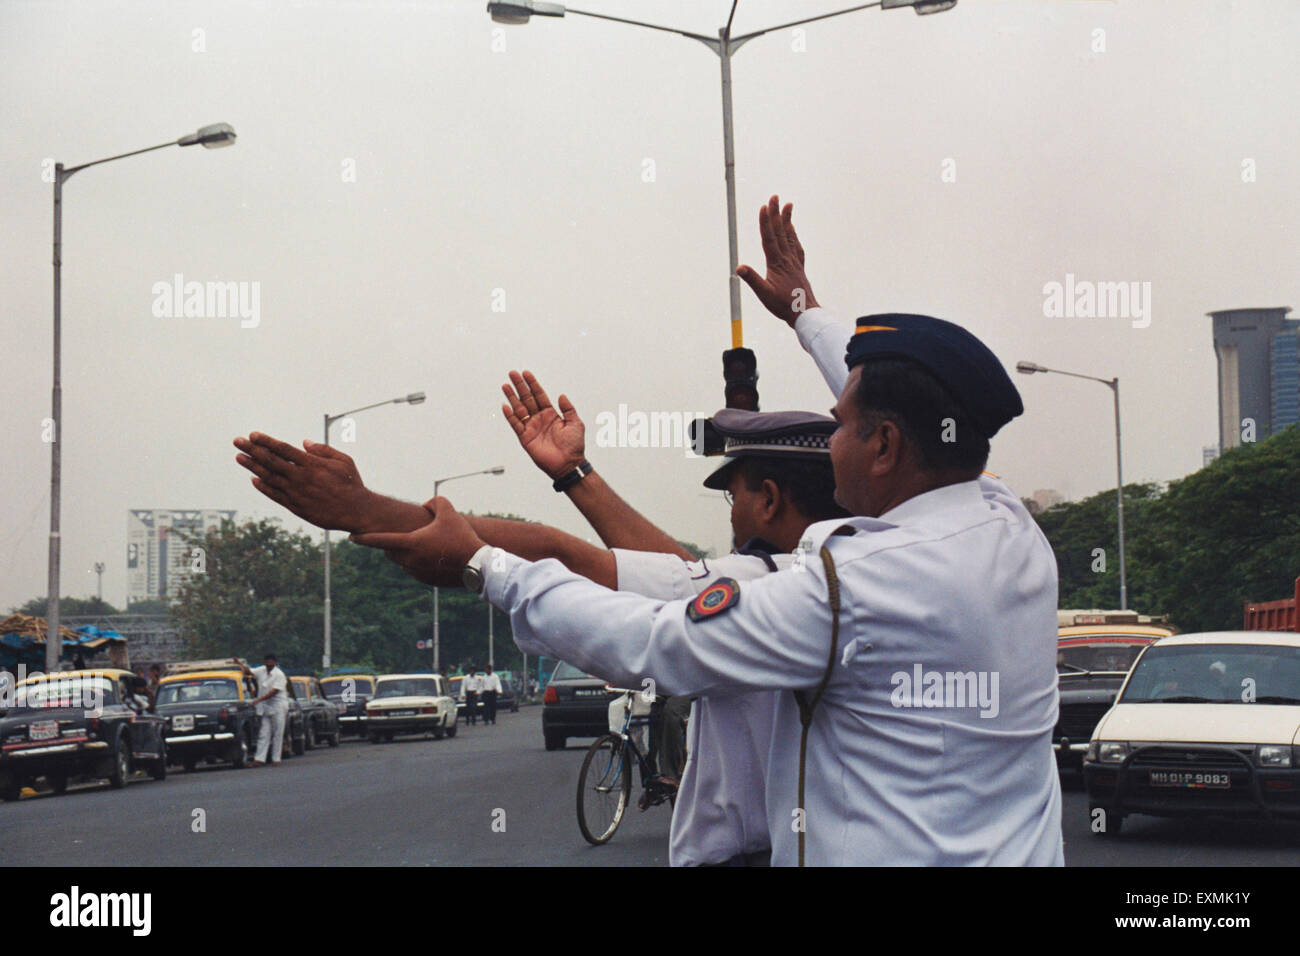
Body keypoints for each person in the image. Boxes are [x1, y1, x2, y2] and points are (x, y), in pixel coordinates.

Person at [353, 303, 1064, 866]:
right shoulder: (1010, 527)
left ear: (883, 447)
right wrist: (805, 314)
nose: (833, 438)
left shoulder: (852, 587)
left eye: (842, 426)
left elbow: (655, 643)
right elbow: (919, 415)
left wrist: (484, 565)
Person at [243, 653, 289, 767]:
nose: (268, 664)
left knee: (277, 732)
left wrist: (258, 700)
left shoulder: (279, 675)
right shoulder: (261, 670)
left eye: (270, 662)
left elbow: (273, 692)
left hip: (278, 705)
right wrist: (239, 664)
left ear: (275, 663)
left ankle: (276, 758)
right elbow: (249, 671)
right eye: (266, 662)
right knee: (264, 733)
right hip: (265, 707)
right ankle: (259, 759)